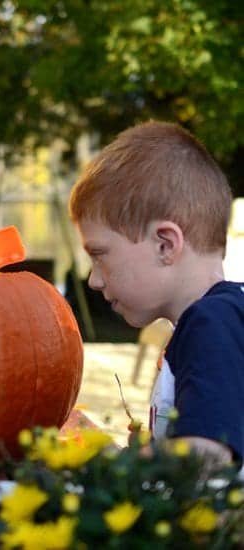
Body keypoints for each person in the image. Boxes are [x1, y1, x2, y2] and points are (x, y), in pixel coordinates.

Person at [68, 120, 243, 469]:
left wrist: (108, 462)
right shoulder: (219, 320)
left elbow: (205, 457)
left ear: (165, 244)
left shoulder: (210, 322)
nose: (93, 281)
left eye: (100, 255)